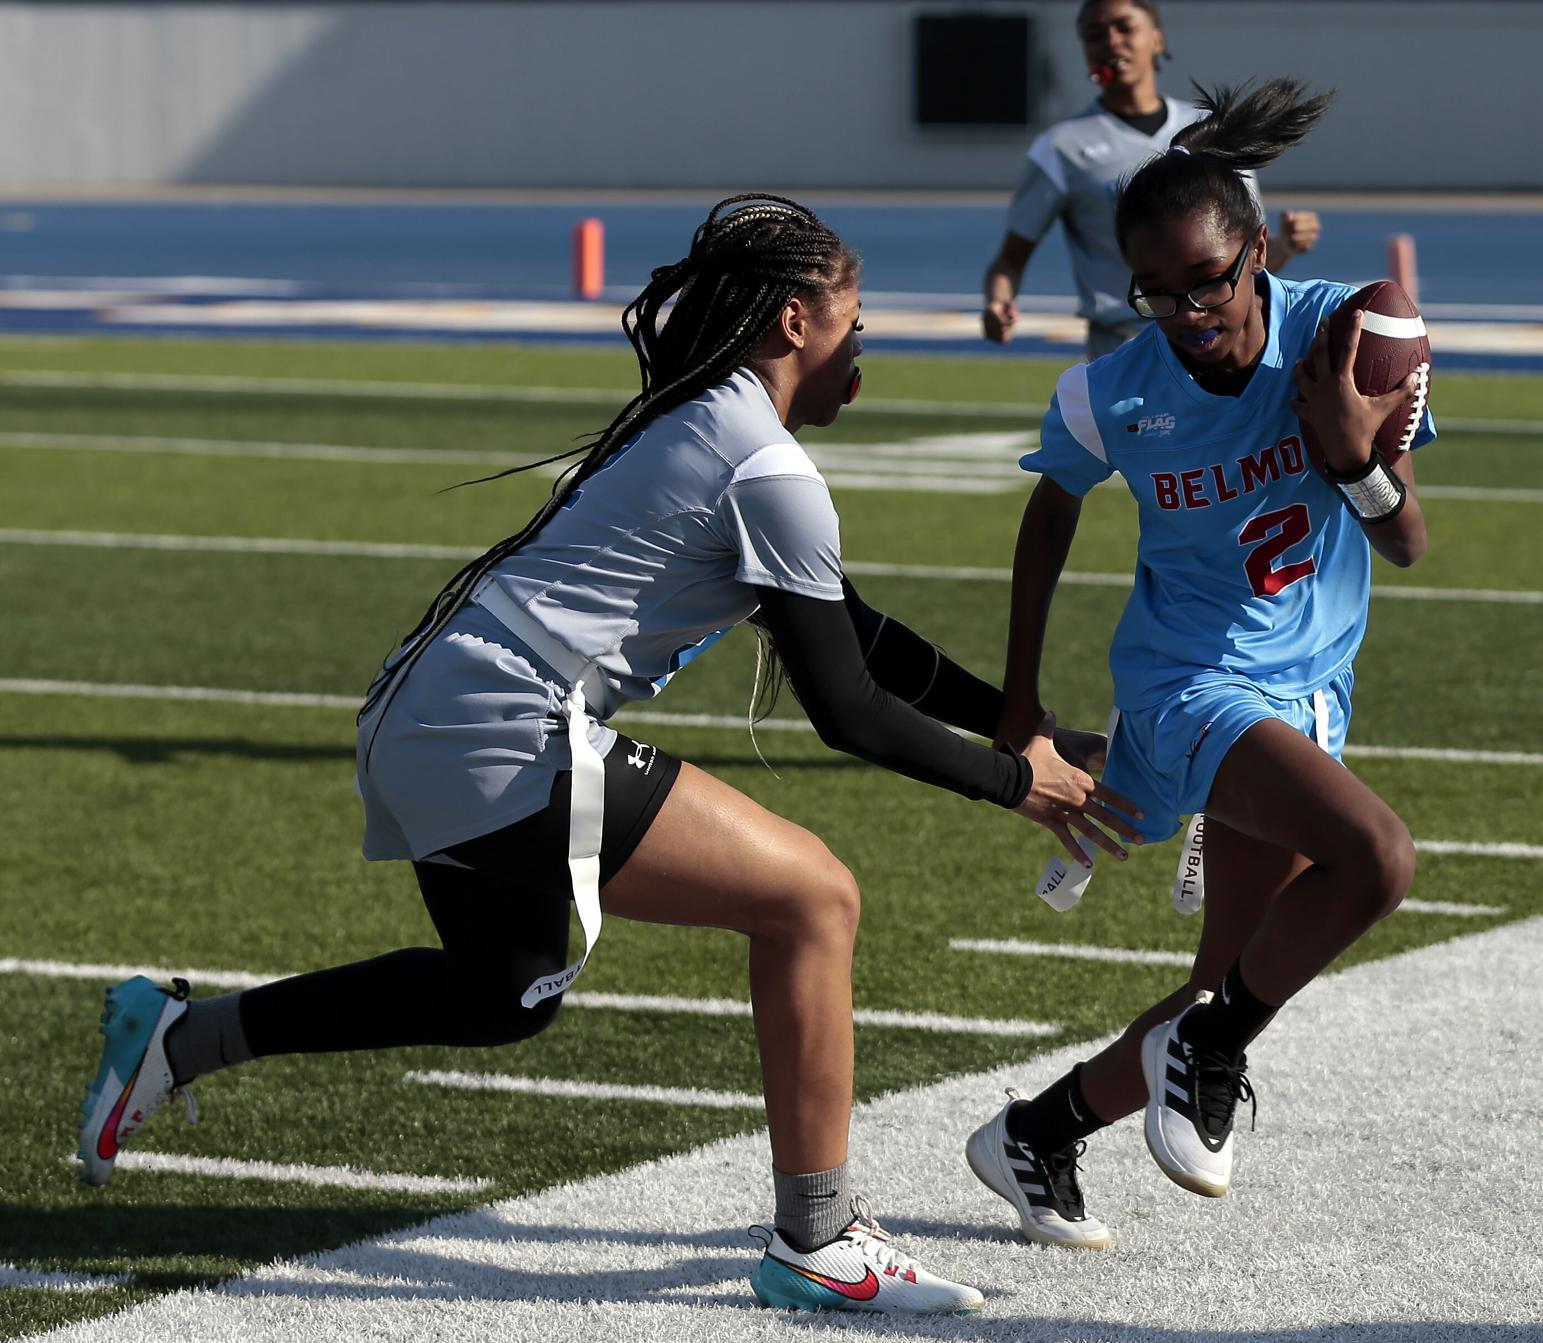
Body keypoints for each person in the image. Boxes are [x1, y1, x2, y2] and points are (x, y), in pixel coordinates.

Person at [75, 195, 1140, 1314]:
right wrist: (1018, 781)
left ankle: (181, 1039)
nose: (863, 350)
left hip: (433, 708)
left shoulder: (711, 416)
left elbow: (855, 633)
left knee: (502, 991)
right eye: (856, 325)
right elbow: (851, 710)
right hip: (496, 722)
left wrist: (1018, 719)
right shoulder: (764, 464)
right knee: (813, 898)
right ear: (792, 321)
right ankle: (818, 1236)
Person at [965, 80, 1434, 1250]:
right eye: (1155, 290)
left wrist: (1344, 450)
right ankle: (1213, 1051)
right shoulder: (1115, 387)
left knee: (1222, 982)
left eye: (1207, 282)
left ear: (1257, 250)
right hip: (1189, 682)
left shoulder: (1345, 333)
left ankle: (1037, 1129)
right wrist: (1022, 702)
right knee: (1376, 857)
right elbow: (1047, 513)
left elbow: (1405, 538)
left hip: (1311, 683)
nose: (1183, 310)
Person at [981, 0, 1322, 361]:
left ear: (1157, 39)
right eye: (1094, 35)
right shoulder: (1061, 147)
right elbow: (1010, 260)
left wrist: (1286, 244)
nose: (1111, 42)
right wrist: (998, 303)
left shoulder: (1209, 130)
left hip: (1214, 345)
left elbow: (1249, 259)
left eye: (1125, 28)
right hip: (1124, 351)